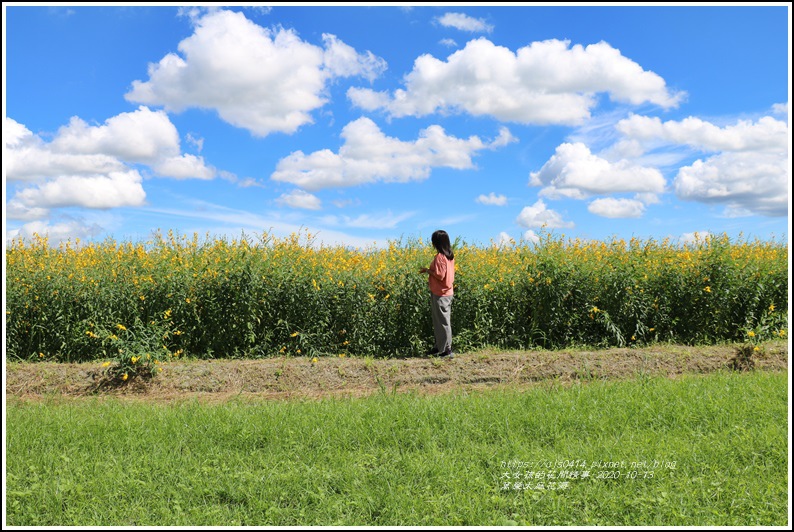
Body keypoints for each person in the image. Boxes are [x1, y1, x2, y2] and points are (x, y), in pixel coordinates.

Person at [419, 230, 455, 358]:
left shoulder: (440, 257)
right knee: (440, 321)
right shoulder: (450, 256)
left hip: (441, 294)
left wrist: (428, 271)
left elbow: (440, 275)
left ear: (437, 242)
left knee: (443, 322)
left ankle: (446, 350)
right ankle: (440, 346)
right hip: (446, 292)